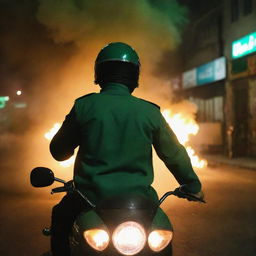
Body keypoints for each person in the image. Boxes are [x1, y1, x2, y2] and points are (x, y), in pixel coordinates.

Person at [49, 42, 204, 256]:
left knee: (60, 215)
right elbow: (174, 154)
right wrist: (192, 185)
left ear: (100, 73)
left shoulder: (84, 106)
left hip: (88, 200)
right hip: (141, 204)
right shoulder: (149, 112)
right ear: (134, 75)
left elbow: (58, 151)